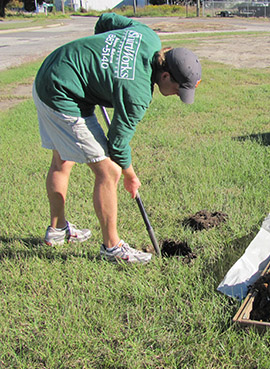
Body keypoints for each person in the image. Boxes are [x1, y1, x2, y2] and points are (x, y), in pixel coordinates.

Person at [33, 13, 202, 264]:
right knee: (110, 170)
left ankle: (57, 231)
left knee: (62, 159)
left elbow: (106, 20)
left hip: (52, 70)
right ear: (165, 76)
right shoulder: (137, 93)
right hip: (62, 92)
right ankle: (112, 247)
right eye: (179, 89)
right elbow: (118, 144)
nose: (178, 95)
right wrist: (130, 175)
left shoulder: (147, 36)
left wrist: (101, 60)